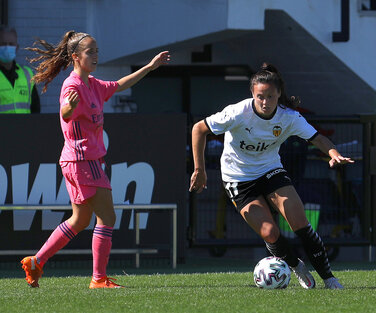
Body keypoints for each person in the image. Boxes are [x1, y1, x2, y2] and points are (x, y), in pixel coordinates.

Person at [20, 30, 170, 288]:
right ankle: (98, 279)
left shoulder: (93, 84)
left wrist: (149, 66)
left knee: (79, 220)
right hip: (82, 161)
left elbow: (121, 84)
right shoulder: (73, 85)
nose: (96, 56)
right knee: (108, 217)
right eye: (91, 52)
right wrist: (67, 108)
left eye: (97, 51)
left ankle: (37, 262)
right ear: (76, 57)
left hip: (80, 161)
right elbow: (66, 112)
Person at [190, 63, 354, 289]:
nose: (265, 102)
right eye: (260, 97)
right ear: (252, 94)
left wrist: (334, 153)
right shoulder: (237, 113)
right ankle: (295, 265)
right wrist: (199, 170)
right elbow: (199, 129)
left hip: (270, 171)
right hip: (238, 178)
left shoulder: (289, 117)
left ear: (279, 94)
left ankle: (330, 279)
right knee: (269, 232)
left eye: (270, 96)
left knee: (300, 223)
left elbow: (317, 138)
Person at [0, 25, 40, 113]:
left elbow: (35, 108)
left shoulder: (27, 74)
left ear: (16, 47)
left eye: (11, 44)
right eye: (3, 44)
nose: (7, 47)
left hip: (24, 126)